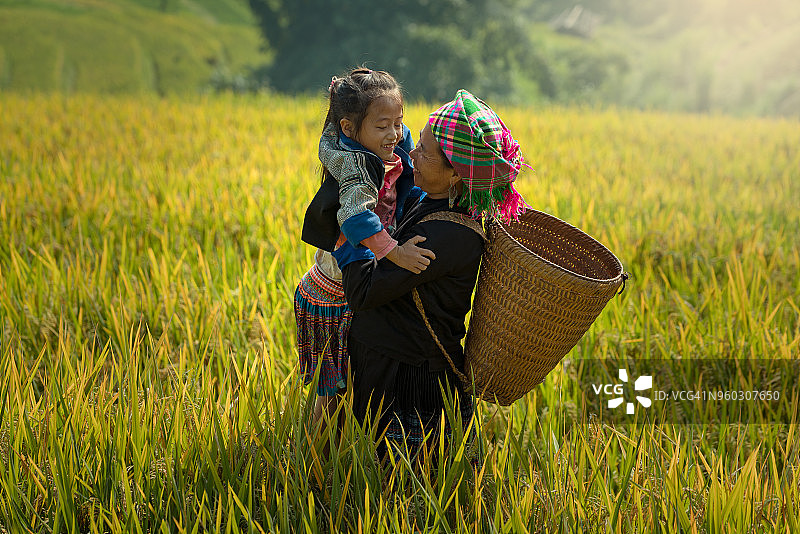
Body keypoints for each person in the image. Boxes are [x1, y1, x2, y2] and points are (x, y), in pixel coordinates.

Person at [332, 89, 529, 457]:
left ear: (456, 173)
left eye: (425, 152)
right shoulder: (429, 200)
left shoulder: (446, 235)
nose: (412, 155)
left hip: (409, 382)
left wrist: (348, 233)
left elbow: (363, 292)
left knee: (403, 496)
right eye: (417, 143)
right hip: (396, 365)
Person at [295, 68, 434, 423]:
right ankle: (311, 467)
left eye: (398, 122)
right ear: (348, 129)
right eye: (382, 125)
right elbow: (358, 220)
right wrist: (397, 252)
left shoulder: (375, 140)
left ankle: (337, 459)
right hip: (335, 293)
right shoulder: (357, 167)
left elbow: (403, 159)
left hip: (352, 277)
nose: (394, 133)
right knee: (332, 396)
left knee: (351, 390)